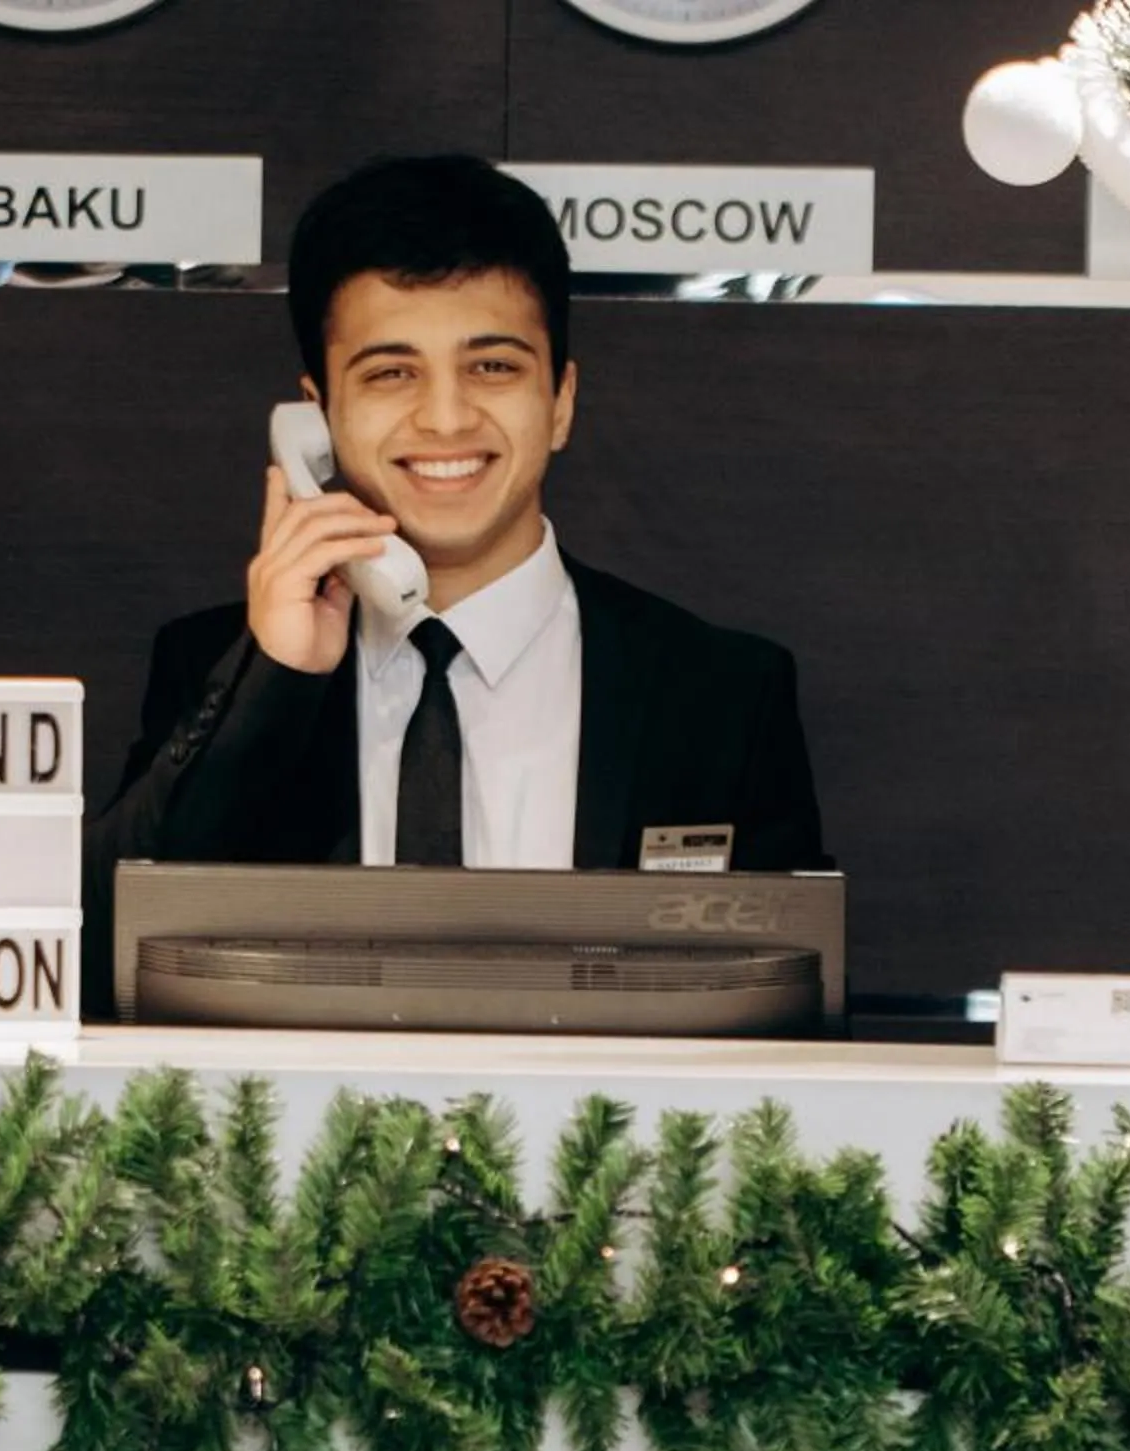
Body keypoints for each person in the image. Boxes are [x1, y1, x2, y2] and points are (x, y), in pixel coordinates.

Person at [85, 153, 826, 1009]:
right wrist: (273, 681)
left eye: (493, 367)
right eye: (391, 373)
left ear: (561, 402)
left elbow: (785, 1027)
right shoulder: (219, 666)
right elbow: (99, 964)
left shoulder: (722, 695)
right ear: (318, 416)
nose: (445, 418)